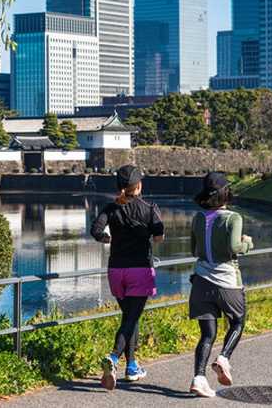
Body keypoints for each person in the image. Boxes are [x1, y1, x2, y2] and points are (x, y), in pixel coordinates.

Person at [91, 165, 165, 390]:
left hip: (116, 271)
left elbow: (96, 230)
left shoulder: (110, 208)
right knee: (131, 319)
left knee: (130, 318)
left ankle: (132, 366)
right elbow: (159, 236)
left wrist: (108, 239)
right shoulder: (149, 207)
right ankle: (113, 358)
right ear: (139, 185)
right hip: (140, 270)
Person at [187, 172, 253, 398]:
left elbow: (194, 251)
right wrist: (247, 243)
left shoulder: (197, 217)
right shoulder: (233, 218)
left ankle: (198, 378)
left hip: (201, 281)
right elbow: (235, 247)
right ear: (226, 193)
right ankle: (223, 358)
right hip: (227, 281)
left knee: (207, 334)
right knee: (238, 321)